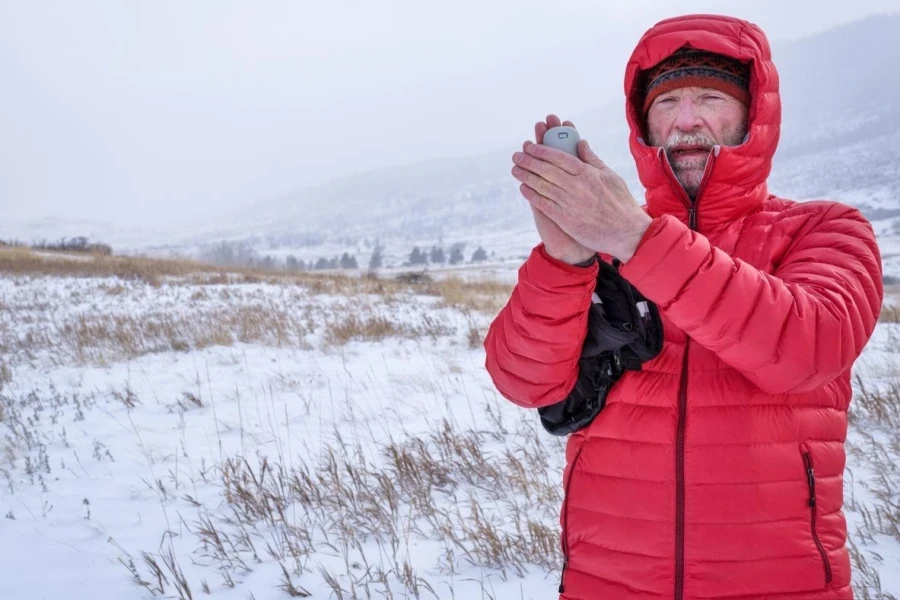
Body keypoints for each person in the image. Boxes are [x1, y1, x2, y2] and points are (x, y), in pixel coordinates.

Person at [484, 13, 883, 600]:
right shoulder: (602, 244)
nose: (687, 120)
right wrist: (564, 258)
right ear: (643, 124)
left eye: (710, 97)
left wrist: (637, 240)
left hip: (781, 586)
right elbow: (525, 381)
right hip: (609, 584)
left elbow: (806, 347)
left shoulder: (824, 231)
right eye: (666, 101)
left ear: (755, 115)